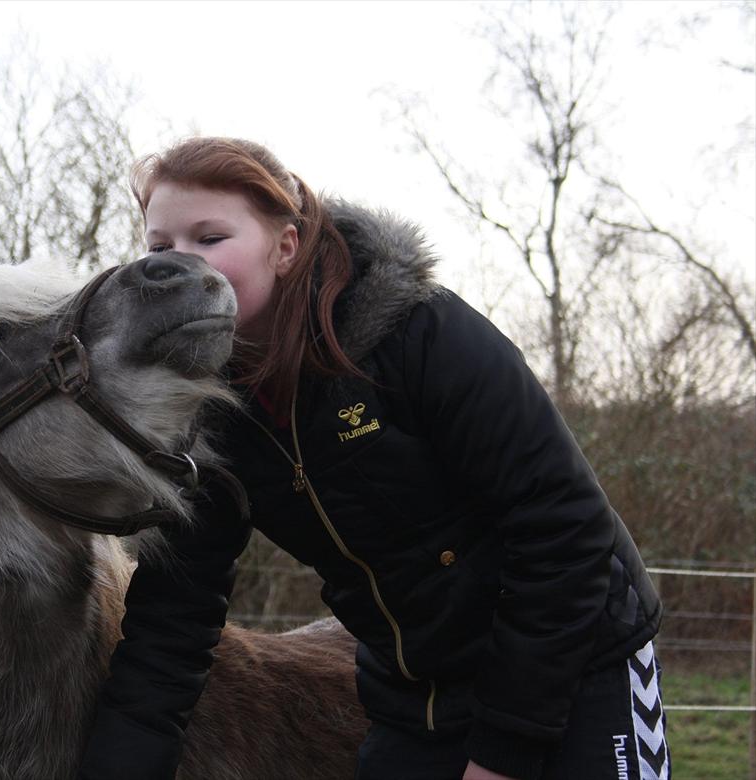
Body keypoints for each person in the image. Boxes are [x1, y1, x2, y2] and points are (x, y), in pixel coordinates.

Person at [77, 137, 667, 780]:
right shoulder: (207, 419)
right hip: (413, 693)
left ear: (285, 246)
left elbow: (565, 532)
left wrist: (504, 753)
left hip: (575, 663)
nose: (179, 265)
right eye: (160, 247)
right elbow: (172, 620)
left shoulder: (421, 335)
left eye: (210, 238)